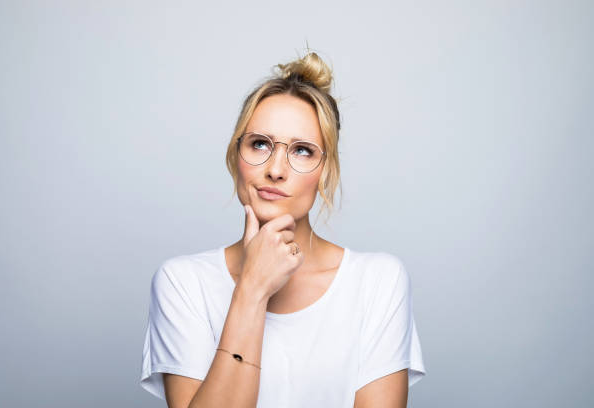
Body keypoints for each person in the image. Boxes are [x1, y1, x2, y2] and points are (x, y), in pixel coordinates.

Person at [139, 49, 426, 407]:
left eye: (302, 150)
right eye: (259, 144)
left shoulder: (378, 281)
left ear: (326, 172)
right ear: (235, 156)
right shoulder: (182, 284)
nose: (275, 169)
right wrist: (252, 289)